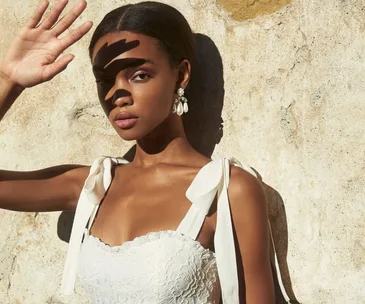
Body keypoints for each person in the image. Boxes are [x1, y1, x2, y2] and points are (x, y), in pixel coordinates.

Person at [0, 0, 276, 303]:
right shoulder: (94, 185)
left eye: (140, 75)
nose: (116, 94)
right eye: (104, 80)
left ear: (181, 75)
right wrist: (8, 80)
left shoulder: (228, 189)